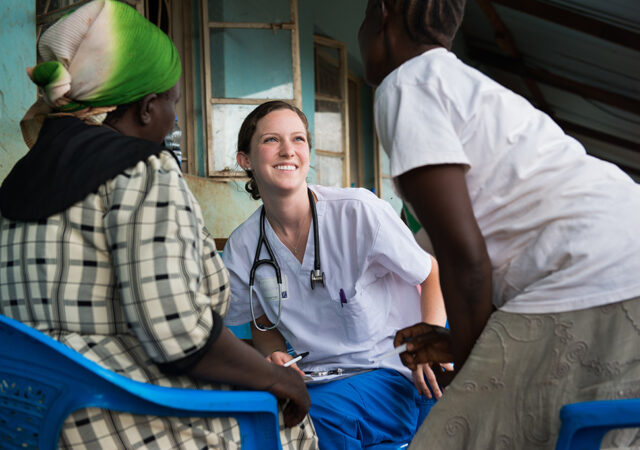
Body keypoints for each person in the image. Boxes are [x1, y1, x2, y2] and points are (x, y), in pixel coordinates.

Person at [0, 1, 318, 448]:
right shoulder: (142, 170)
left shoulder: (18, 179)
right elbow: (178, 335)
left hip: (30, 418)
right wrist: (279, 380)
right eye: (173, 104)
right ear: (148, 108)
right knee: (292, 423)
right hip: (117, 416)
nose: (174, 120)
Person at [358, 0, 640, 448]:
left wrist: (468, 372)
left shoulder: (407, 84)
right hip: (619, 260)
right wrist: (470, 345)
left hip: (593, 271)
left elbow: (465, 260)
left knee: (453, 437)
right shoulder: (461, 84)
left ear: (384, 13)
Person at [222, 100, 449, 449]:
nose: (288, 150)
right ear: (245, 160)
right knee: (251, 417)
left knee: (311, 419)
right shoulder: (243, 246)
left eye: (298, 139)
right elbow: (263, 322)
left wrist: (428, 345)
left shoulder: (358, 212)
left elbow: (430, 272)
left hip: (390, 375)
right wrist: (275, 357)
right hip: (315, 381)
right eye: (271, 140)